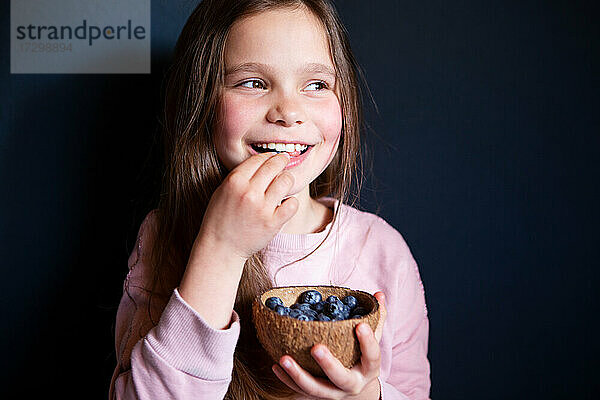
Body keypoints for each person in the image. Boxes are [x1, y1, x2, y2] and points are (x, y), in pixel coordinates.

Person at [109, 0, 430, 399]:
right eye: (254, 82)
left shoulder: (383, 250)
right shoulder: (164, 236)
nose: (288, 112)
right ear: (203, 101)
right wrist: (221, 250)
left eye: (316, 85)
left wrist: (364, 394)